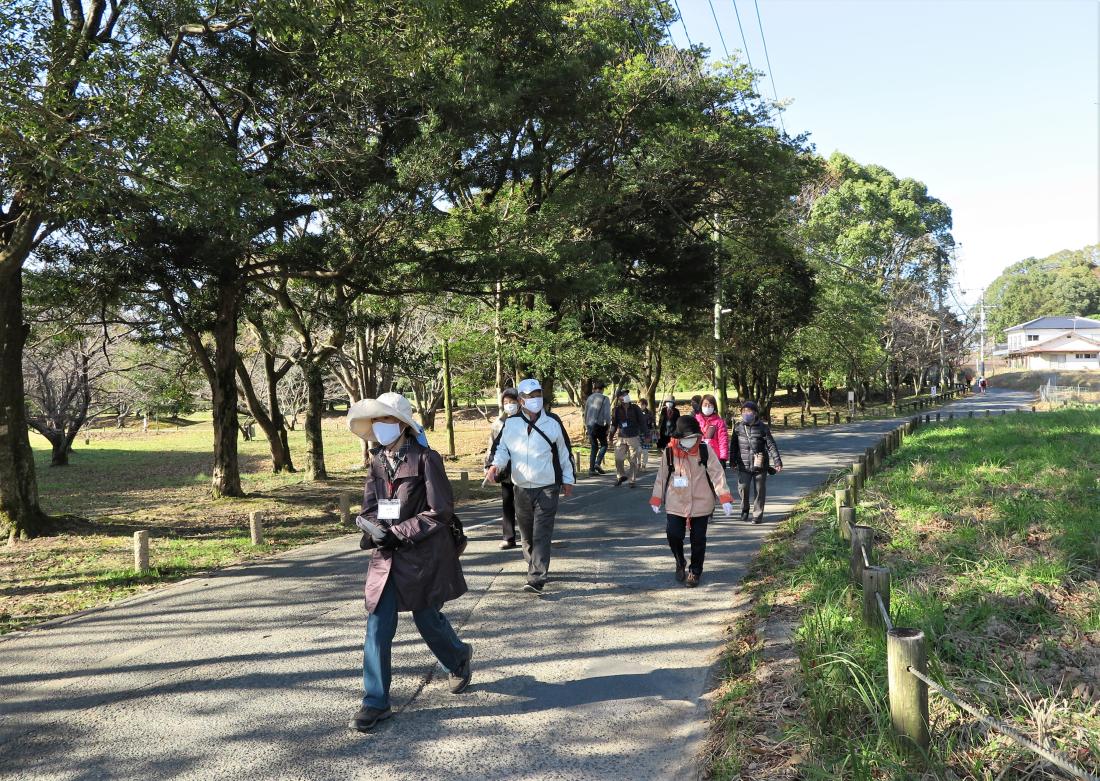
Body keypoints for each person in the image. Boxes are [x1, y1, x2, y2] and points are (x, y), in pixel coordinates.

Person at [345, 391, 471, 733]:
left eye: (384, 419)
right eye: (375, 421)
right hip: (386, 556)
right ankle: (375, 701)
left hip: (422, 556)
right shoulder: (376, 462)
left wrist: (399, 531)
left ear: (401, 424)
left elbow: (441, 511)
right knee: (377, 622)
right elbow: (370, 505)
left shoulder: (427, 459)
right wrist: (373, 528)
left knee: (427, 618)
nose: (378, 427)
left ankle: (458, 657)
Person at [486, 378, 575, 595]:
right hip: (521, 487)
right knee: (526, 534)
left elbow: (564, 453)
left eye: (538, 395)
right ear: (520, 400)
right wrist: (496, 466)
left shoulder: (553, 422)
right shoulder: (511, 424)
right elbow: (503, 449)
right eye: (530, 396)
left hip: (547, 486)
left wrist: (568, 479)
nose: (535, 400)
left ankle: (536, 578)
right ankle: (534, 563)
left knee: (541, 533)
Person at [649, 416, 733, 587]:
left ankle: (695, 571)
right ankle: (680, 561)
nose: (690, 441)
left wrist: (724, 498)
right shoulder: (669, 452)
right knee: (673, 534)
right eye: (686, 438)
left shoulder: (705, 450)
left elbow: (717, 474)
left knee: (698, 539)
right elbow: (661, 478)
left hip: (701, 502)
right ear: (678, 437)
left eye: (693, 437)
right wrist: (657, 499)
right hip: (675, 502)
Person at [730, 400, 783, 525]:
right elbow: (733, 446)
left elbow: (771, 445)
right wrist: (732, 461)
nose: (746, 414)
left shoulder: (763, 428)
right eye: (743, 411)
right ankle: (745, 508)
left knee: (759, 490)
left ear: (755, 413)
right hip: (743, 464)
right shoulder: (738, 427)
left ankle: (757, 515)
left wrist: (777, 461)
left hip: (760, 465)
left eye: (749, 411)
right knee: (743, 488)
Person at [485, 387, 520, 550]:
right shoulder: (499, 423)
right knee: (507, 503)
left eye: (512, 402)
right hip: (505, 470)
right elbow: (491, 446)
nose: (509, 405)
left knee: (526, 504)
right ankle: (509, 537)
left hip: (525, 470)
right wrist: (489, 466)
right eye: (506, 402)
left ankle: (531, 535)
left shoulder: (526, 421)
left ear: (519, 402)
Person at [609, 387, 648, 487]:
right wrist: (610, 436)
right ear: (619, 398)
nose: (626, 396)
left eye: (627, 394)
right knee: (618, 458)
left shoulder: (635, 408)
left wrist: (647, 434)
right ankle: (621, 476)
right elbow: (614, 424)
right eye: (624, 394)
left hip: (633, 437)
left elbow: (642, 422)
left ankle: (632, 480)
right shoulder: (616, 410)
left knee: (633, 459)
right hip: (621, 437)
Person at [694, 394, 730, 469]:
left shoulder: (719, 422)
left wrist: (723, 458)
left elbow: (723, 441)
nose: (707, 407)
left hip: (714, 457)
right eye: (705, 404)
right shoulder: (695, 420)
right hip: (697, 457)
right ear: (701, 406)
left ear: (714, 407)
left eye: (710, 405)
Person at [584, 381, 611, 476]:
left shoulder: (589, 398)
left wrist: (586, 425)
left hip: (590, 425)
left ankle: (591, 470)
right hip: (599, 425)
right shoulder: (605, 398)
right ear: (602, 389)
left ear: (595, 389)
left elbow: (586, 412)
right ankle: (597, 463)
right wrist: (608, 425)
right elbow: (607, 414)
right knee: (604, 444)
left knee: (594, 447)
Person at [638, 398, 656, 471]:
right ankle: (638, 463)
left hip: (647, 433)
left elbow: (653, 422)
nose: (640, 406)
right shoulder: (635, 412)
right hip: (637, 433)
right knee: (638, 450)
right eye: (639, 404)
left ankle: (644, 465)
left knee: (645, 451)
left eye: (642, 405)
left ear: (645, 405)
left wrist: (652, 426)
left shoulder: (649, 413)